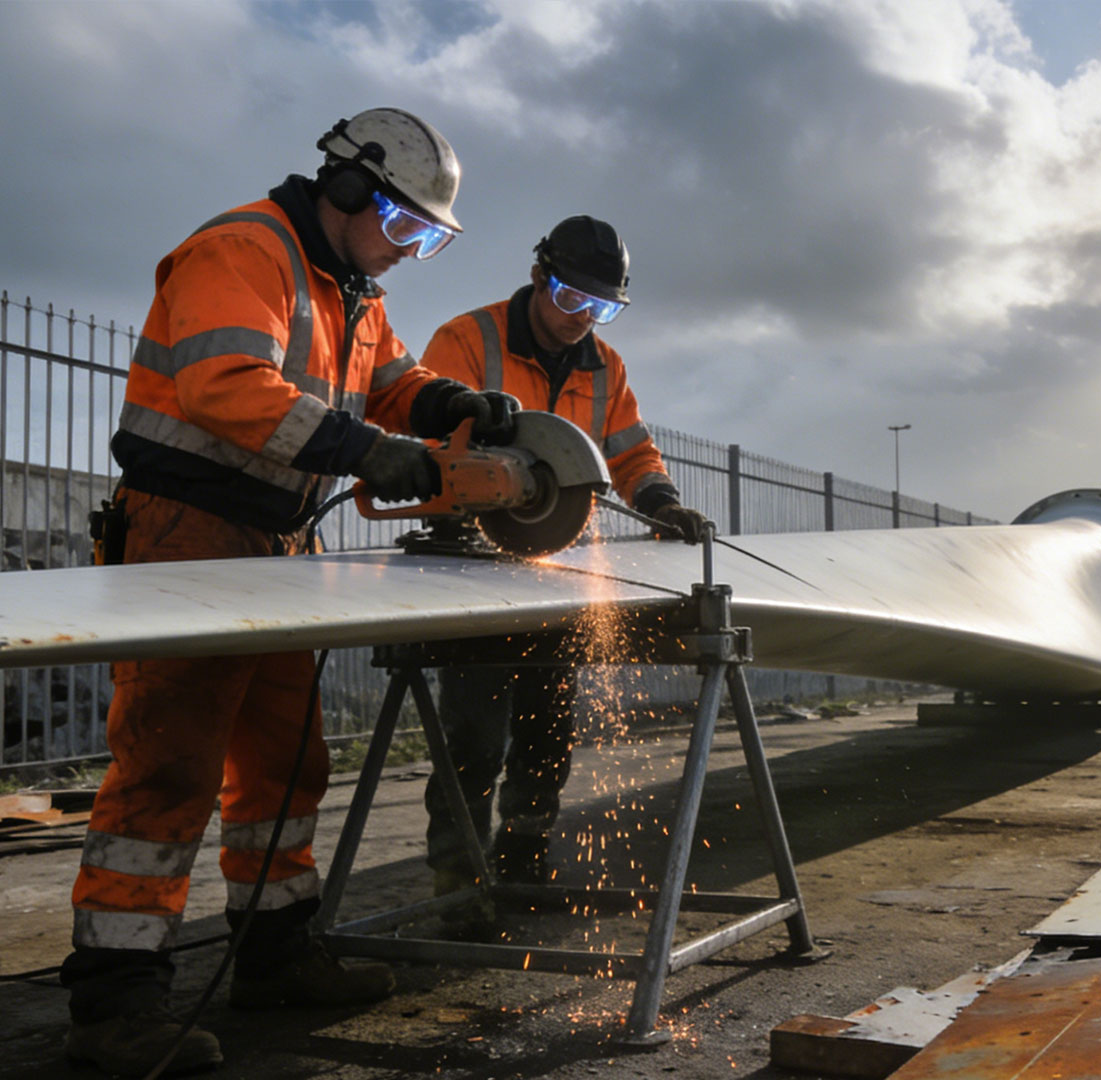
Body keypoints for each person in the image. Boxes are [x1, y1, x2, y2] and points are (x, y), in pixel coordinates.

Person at [61, 108, 521, 1077]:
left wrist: (449, 405)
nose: (407, 253)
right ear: (347, 190)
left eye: (427, 240)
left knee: (285, 759)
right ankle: (116, 999)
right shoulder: (244, 250)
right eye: (403, 227)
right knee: (170, 764)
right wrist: (365, 450)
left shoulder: (352, 287)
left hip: (272, 540)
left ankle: (273, 951)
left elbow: (390, 380)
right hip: (187, 536)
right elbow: (224, 384)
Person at [418, 215, 707, 896]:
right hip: (470, 572)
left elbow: (631, 452)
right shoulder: (467, 340)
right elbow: (431, 449)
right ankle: (459, 882)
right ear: (539, 277)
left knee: (548, 730)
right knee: (475, 740)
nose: (585, 320)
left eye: (602, 308)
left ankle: (523, 860)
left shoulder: (605, 367)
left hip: (555, 568)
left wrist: (659, 501)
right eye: (573, 300)